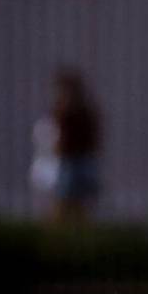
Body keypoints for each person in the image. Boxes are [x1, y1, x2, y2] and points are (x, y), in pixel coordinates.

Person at [30, 70, 101, 221]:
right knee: (63, 201)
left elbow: (93, 137)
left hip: (79, 160)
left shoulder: (83, 112)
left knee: (79, 203)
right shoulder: (61, 110)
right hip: (66, 162)